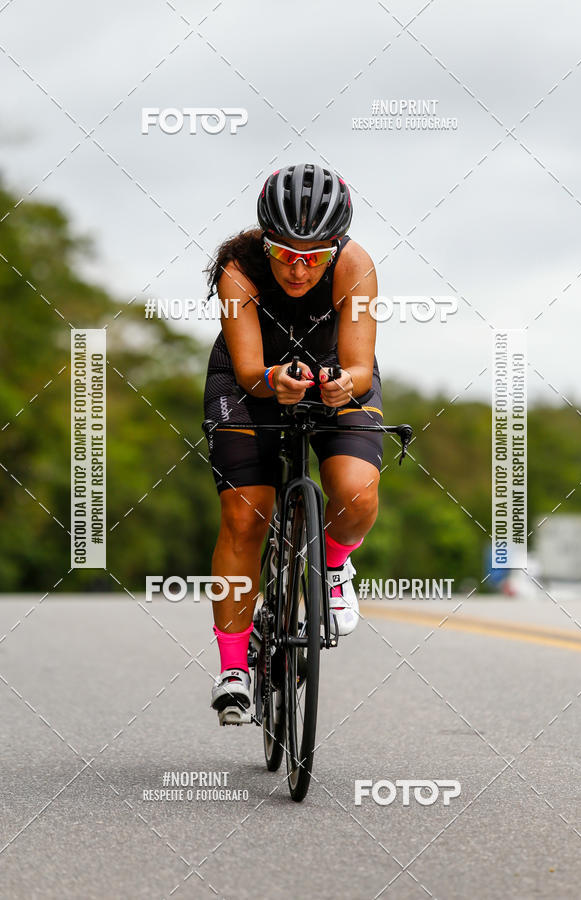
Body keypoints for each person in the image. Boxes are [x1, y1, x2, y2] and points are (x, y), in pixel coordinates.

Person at [204, 163, 383, 716]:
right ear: (266, 240)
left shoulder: (355, 265)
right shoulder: (240, 268)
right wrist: (271, 383)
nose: (299, 269)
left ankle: (331, 564)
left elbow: (357, 367)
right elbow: (251, 366)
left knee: (356, 492)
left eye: (314, 258)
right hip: (248, 381)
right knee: (244, 515)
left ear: (336, 248)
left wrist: (340, 388)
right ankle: (233, 666)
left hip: (333, 372)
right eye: (285, 254)